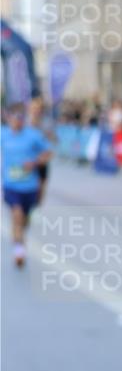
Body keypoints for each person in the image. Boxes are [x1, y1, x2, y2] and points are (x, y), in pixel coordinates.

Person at [2, 103, 52, 268]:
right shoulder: (3, 134)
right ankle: (19, 249)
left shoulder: (33, 135)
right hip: (11, 185)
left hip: (30, 187)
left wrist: (35, 162)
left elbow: (48, 153)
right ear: (8, 118)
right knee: (17, 214)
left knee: (24, 221)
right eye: (14, 118)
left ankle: (19, 237)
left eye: (20, 118)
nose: (17, 121)